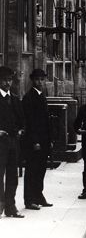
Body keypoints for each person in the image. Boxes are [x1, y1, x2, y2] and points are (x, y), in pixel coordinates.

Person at [22, 68, 52, 210]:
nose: (40, 82)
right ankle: (29, 199)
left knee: (41, 169)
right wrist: (35, 141)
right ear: (32, 80)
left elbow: (46, 121)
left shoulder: (42, 95)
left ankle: (38, 195)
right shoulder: (29, 98)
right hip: (35, 141)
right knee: (32, 170)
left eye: (42, 79)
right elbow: (30, 122)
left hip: (44, 140)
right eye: (37, 79)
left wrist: (49, 139)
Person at [0, 66, 25, 218]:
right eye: (4, 80)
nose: (7, 83)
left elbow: (22, 120)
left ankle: (11, 206)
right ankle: (0, 205)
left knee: (12, 176)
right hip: (0, 142)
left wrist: (21, 130)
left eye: (9, 80)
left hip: (13, 143)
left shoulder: (15, 99)